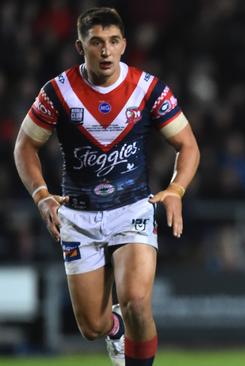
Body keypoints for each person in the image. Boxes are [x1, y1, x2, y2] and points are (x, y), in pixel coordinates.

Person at [14, 7, 200, 366]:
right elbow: (25, 146)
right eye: (96, 42)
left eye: (113, 41)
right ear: (79, 46)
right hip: (78, 215)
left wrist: (176, 190)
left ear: (124, 45)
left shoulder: (148, 90)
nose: (105, 50)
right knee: (92, 327)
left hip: (132, 209)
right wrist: (41, 197)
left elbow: (188, 145)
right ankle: (114, 330)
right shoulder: (58, 92)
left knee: (136, 301)